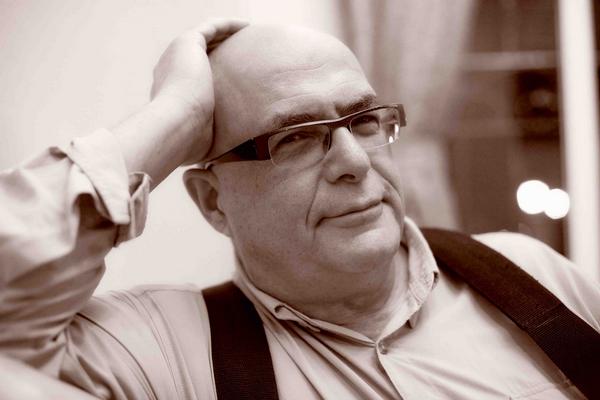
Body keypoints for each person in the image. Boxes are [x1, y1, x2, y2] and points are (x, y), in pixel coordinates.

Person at [0, 19, 599, 400]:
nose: (353, 161)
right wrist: (177, 114)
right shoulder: (158, 355)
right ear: (213, 202)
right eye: (295, 138)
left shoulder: (527, 276)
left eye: (364, 121)